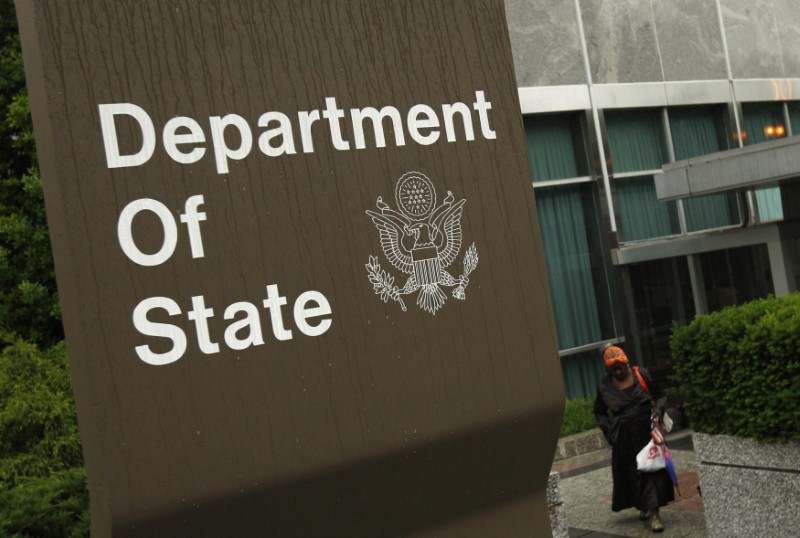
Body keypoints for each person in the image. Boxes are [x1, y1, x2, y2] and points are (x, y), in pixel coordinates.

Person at [593, 345, 674, 533]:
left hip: (647, 431)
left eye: (621, 367)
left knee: (652, 471)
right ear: (608, 370)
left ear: (627, 363)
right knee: (631, 473)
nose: (619, 371)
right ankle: (643, 505)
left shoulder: (642, 374)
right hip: (624, 437)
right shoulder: (604, 385)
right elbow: (599, 412)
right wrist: (609, 431)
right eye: (614, 369)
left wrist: (657, 412)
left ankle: (655, 514)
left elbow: (660, 396)